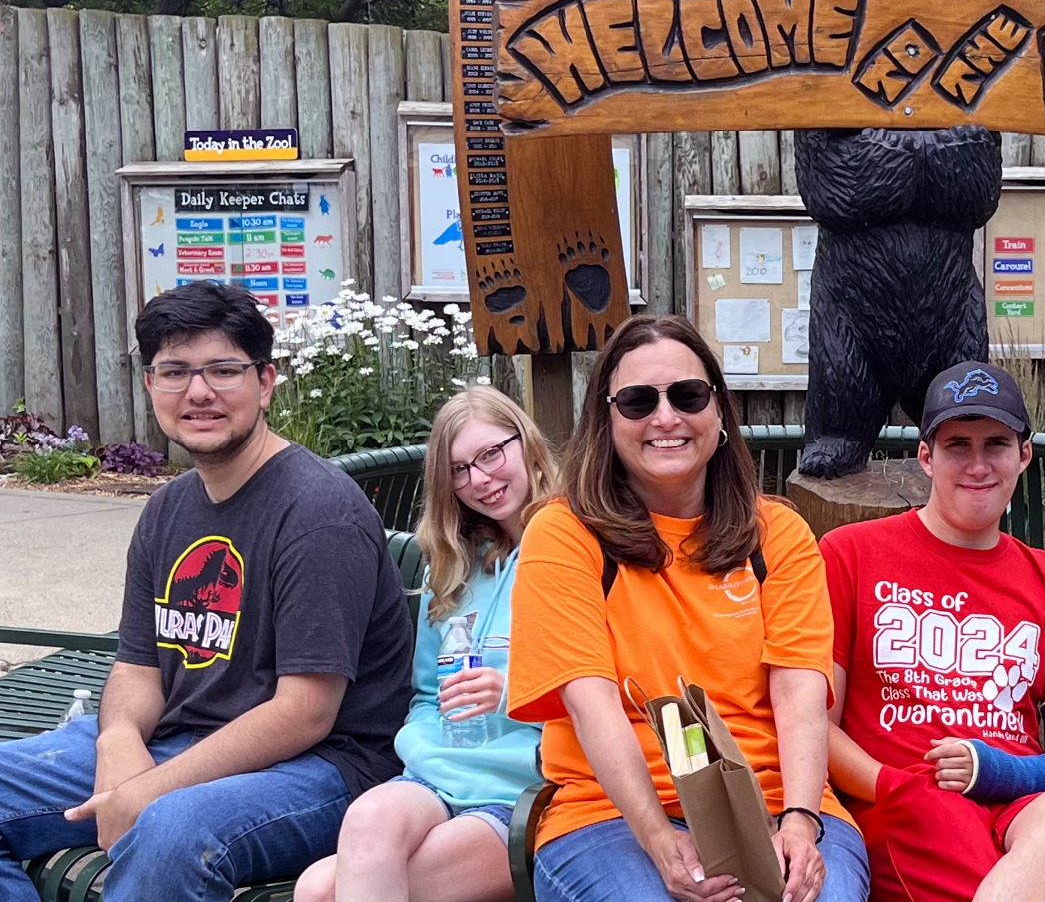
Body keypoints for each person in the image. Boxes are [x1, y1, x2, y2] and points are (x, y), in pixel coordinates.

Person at [0, 280, 413, 901]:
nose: (198, 392)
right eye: (175, 372)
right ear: (150, 386)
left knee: (174, 830)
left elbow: (306, 711)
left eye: (223, 370)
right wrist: (118, 742)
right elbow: (138, 666)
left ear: (266, 381)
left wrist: (148, 789)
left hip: (323, 766)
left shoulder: (319, 513)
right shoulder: (167, 508)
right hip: (178, 738)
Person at [507, 314, 866, 902]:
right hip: (611, 814)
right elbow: (591, 705)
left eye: (689, 395)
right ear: (606, 419)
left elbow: (800, 695)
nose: (666, 417)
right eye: (638, 401)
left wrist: (801, 821)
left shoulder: (777, 534)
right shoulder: (563, 532)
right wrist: (657, 838)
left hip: (778, 800)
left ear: (719, 410)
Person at [822, 361, 1045, 902]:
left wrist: (997, 771)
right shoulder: (849, 554)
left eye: (996, 444)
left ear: (1024, 454)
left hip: (1021, 795)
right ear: (926, 457)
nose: (978, 464)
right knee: (941, 818)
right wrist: (890, 784)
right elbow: (814, 723)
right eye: (958, 445)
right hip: (909, 795)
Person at [295, 387, 557, 902]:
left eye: (490, 454)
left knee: (319, 892)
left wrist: (513, 689)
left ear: (525, 443)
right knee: (362, 825)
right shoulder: (456, 568)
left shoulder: (574, 548)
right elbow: (423, 696)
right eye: (458, 470)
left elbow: (610, 687)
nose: (479, 480)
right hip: (434, 778)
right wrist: (423, 741)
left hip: (523, 791)